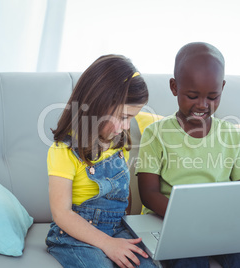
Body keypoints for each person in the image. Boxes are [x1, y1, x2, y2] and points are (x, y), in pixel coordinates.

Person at [136, 42, 240, 268]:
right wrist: (187, 219)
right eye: (192, 95)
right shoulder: (156, 134)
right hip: (173, 223)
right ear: (174, 87)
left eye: (213, 97)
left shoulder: (232, 136)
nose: (203, 105)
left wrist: (224, 221)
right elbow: (148, 193)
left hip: (221, 225)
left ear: (222, 88)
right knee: (190, 259)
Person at [46, 55, 157, 268]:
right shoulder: (64, 150)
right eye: (123, 117)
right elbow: (61, 213)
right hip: (74, 237)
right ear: (97, 105)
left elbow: (122, 193)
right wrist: (107, 244)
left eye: (131, 118)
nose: (126, 126)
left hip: (116, 229)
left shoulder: (117, 142)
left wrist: (127, 230)